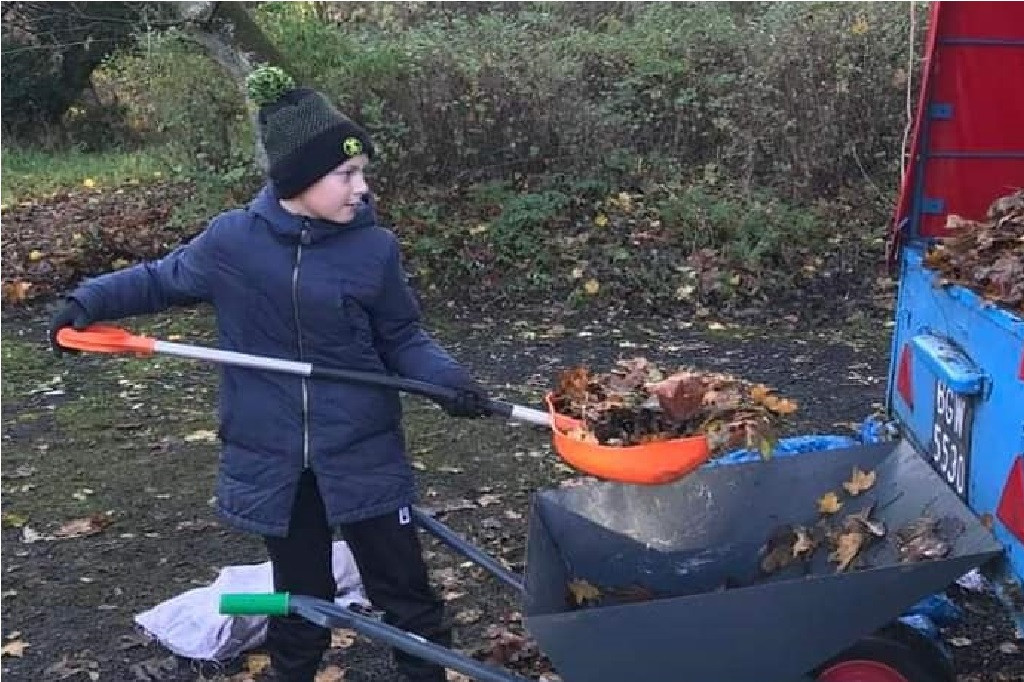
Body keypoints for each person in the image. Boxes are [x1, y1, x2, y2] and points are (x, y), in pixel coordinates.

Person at [48, 66, 491, 682]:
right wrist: (86, 302)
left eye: (362, 173)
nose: (361, 188)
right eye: (347, 175)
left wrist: (450, 382)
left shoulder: (373, 249)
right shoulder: (233, 242)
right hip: (275, 456)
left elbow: (402, 338)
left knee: (405, 591)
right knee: (298, 599)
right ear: (301, 179)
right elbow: (157, 278)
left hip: (362, 446)